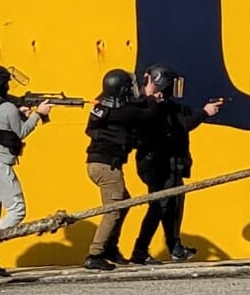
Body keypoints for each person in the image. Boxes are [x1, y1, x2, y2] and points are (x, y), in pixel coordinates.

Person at [130, 64, 223, 264]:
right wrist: (204, 113)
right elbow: (182, 125)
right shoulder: (146, 106)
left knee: (171, 206)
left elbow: (182, 116)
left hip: (169, 163)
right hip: (156, 164)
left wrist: (203, 110)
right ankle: (141, 250)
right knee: (159, 206)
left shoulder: (165, 106)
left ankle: (174, 246)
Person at [0, 64, 54, 275]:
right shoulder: (7, 107)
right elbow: (21, 132)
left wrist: (20, 112)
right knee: (17, 209)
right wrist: (38, 115)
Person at [83, 68, 161, 271]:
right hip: (108, 166)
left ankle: (110, 247)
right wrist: (151, 96)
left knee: (123, 203)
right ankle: (95, 253)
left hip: (96, 163)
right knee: (113, 209)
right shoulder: (125, 112)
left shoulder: (101, 106)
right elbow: (148, 115)